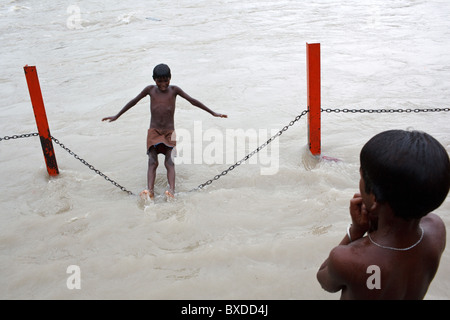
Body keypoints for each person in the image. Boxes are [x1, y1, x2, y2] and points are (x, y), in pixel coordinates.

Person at [317, 129, 449, 299]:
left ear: (373, 197)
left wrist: (356, 231)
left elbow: (324, 279)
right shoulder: (437, 230)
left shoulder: (347, 259)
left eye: (361, 176)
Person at [102, 63, 227, 200]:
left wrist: (213, 113)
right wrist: (117, 116)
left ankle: (171, 191)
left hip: (169, 132)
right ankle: (150, 190)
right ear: (154, 79)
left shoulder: (174, 90)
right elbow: (134, 102)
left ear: (170, 78)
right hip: (154, 131)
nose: (163, 84)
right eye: (159, 81)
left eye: (166, 80)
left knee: (170, 161)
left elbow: (192, 101)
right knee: (152, 160)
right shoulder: (149, 90)